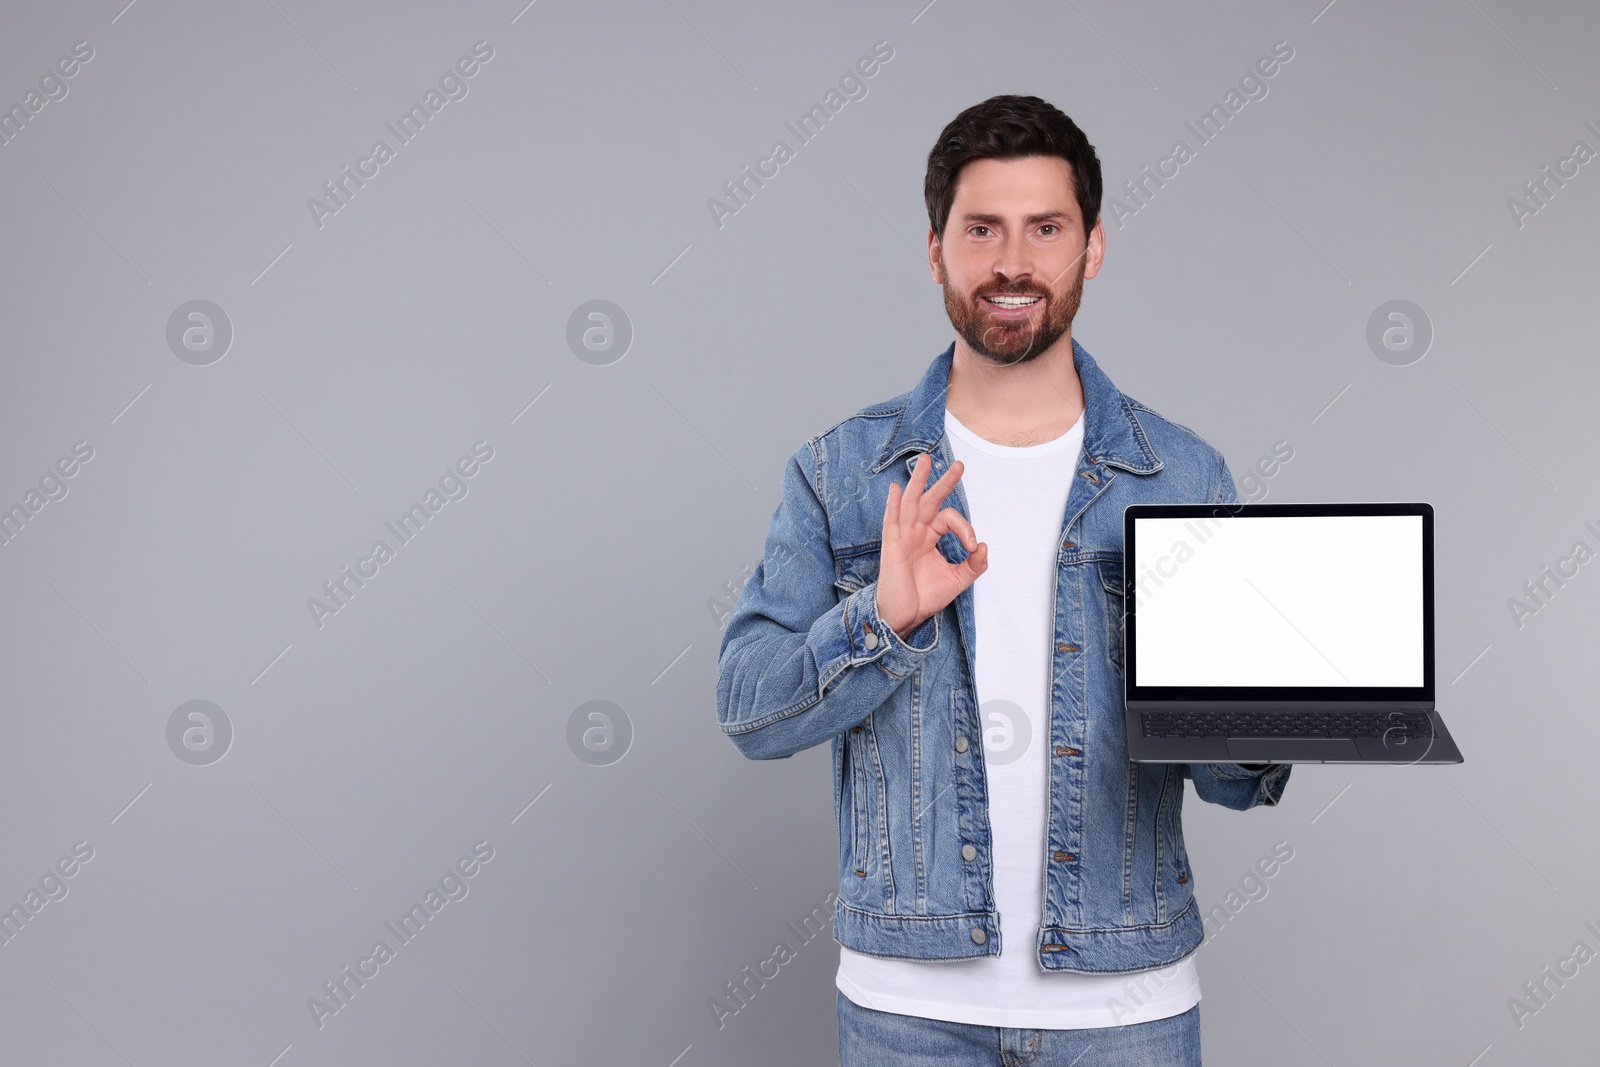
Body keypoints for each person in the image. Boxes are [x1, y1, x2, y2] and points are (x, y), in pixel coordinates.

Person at [715, 94, 1291, 1066]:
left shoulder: (1186, 478)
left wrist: (1268, 711)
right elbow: (750, 709)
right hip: (908, 1010)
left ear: (1092, 247)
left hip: (1127, 1008)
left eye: (1045, 229)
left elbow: (1232, 784)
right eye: (981, 229)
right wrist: (881, 620)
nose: (1012, 261)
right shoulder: (840, 472)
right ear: (935, 248)